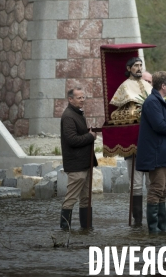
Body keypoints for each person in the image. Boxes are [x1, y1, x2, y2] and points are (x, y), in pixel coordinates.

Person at [136, 71, 166, 233]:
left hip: (164, 153)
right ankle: (153, 229)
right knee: (156, 190)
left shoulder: (160, 101)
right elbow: (159, 126)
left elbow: (162, 124)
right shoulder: (152, 102)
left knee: (164, 190)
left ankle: (162, 227)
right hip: (157, 154)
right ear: (163, 86)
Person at [60, 87, 97, 230]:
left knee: (86, 199)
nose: (82, 100)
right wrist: (90, 136)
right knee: (71, 198)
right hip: (76, 165)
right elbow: (72, 140)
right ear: (70, 99)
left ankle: (87, 228)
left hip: (85, 163)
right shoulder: (68, 116)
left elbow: (78, 135)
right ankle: (64, 230)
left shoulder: (78, 113)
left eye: (83, 97)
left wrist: (88, 133)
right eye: (79, 97)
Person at [125, 69, 153, 226]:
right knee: (135, 186)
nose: (147, 84)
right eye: (145, 81)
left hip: (151, 151)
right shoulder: (130, 101)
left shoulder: (157, 101)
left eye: (150, 82)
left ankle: (152, 218)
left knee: (152, 185)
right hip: (133, 150)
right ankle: (137, 221)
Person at [109, 57, 152, 124]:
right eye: (136, 65)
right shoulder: (125, 85)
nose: (139, 68)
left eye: (140, 65)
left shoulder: (147, 84)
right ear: (129, 68)